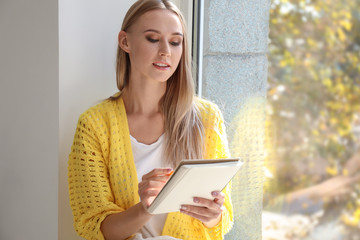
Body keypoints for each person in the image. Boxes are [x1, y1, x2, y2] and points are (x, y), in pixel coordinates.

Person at [67, 1, 234, 240]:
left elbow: (224, 218)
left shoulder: (206, 118)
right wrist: (146, 208)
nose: (166, 50)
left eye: (175, 42)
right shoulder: (95, 124)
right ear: (125, 42)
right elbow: (95, 228)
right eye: (153, 39)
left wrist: (213, 216)